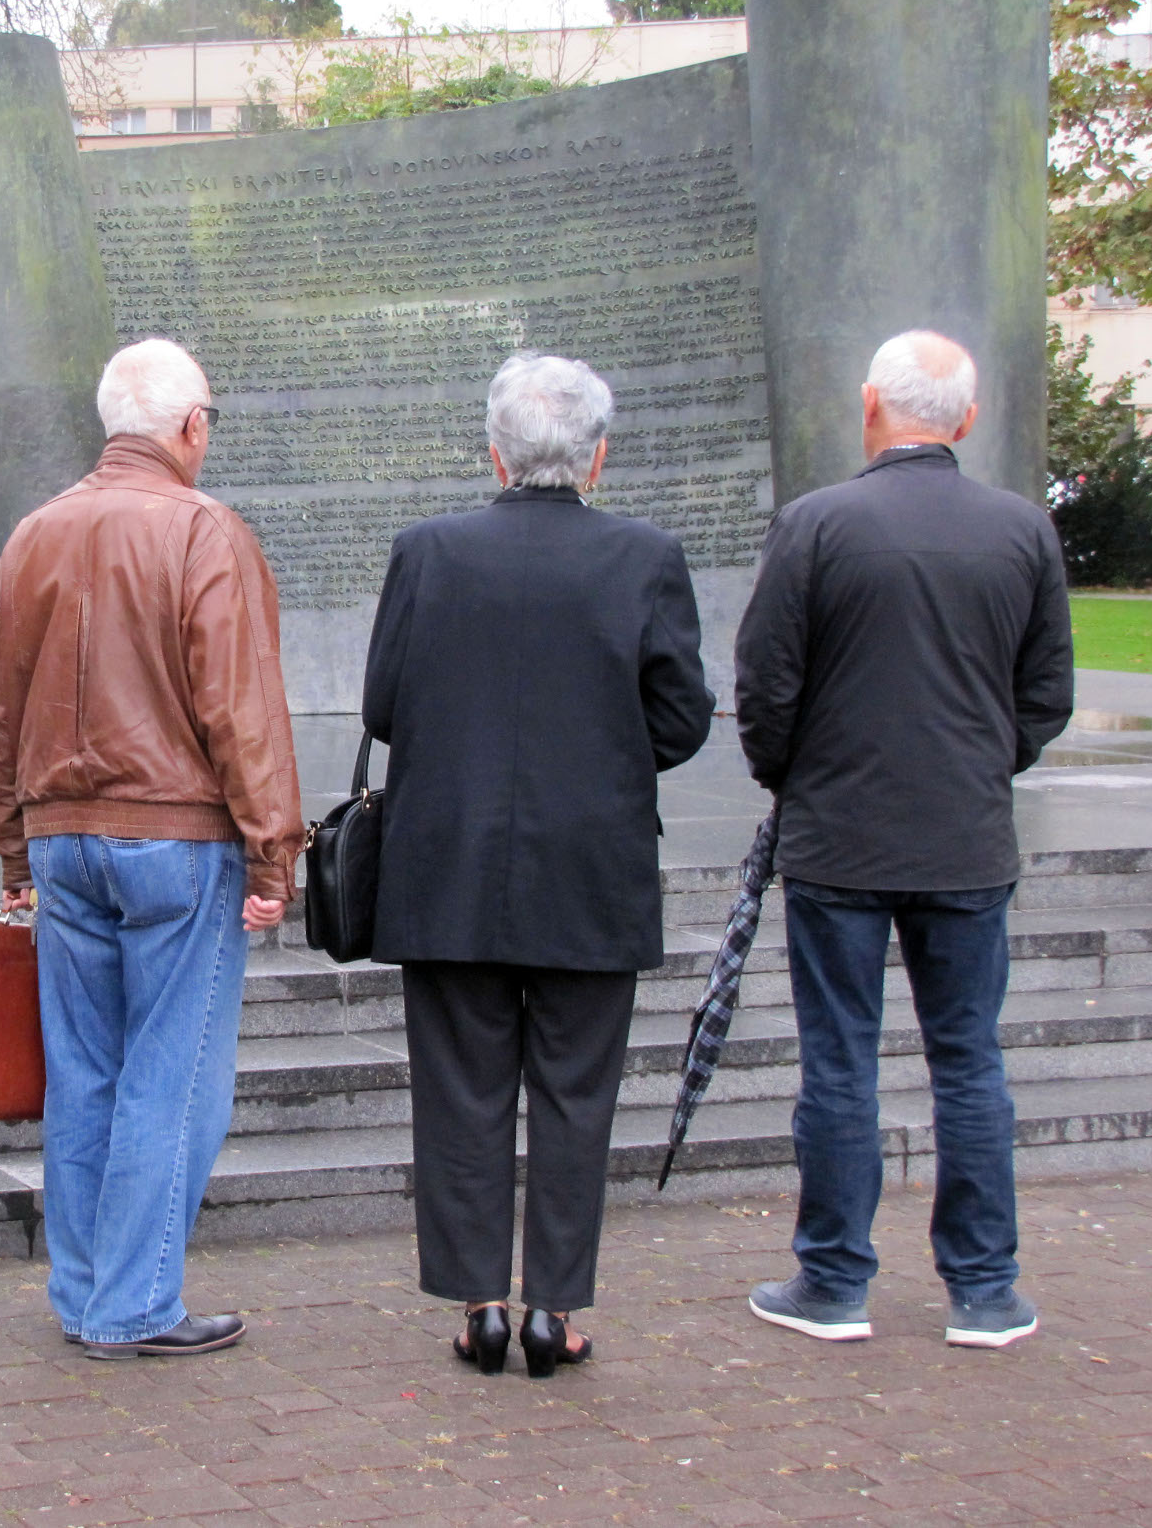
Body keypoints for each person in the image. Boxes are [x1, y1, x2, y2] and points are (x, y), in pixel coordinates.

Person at [362, 353, 713, 1379]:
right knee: (574, 1090)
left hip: (448, 863)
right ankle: (553, 1309)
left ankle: (478, 1303)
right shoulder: (644, 557)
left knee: (461, 1089)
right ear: (595, 458)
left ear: (493, 451)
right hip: (589, 864)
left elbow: (384, 706)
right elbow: (681, 717)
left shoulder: (426, 552)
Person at [735, 329, 1073, 1351]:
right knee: (968, 1059)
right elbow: (1044, 694)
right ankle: (983, 1287)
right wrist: (977, 763)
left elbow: (764, 684)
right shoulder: (1020, 530)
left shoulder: (814, 525)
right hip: (965, 840)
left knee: (837, 1060)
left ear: (868, 403)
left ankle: (833, 1280)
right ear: (963, 419)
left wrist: (793, 774)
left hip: (839, 837)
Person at [0, 337, 304, 1362]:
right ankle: (132, 1300)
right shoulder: (204, 531)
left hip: (61, 837)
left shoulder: (34, 533)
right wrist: (271, 852)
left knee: (85, 1069)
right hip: (175, 838)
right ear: (189, 426)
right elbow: (239, 709)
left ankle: (85, 1291)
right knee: (173, 1071)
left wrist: (11, 847)